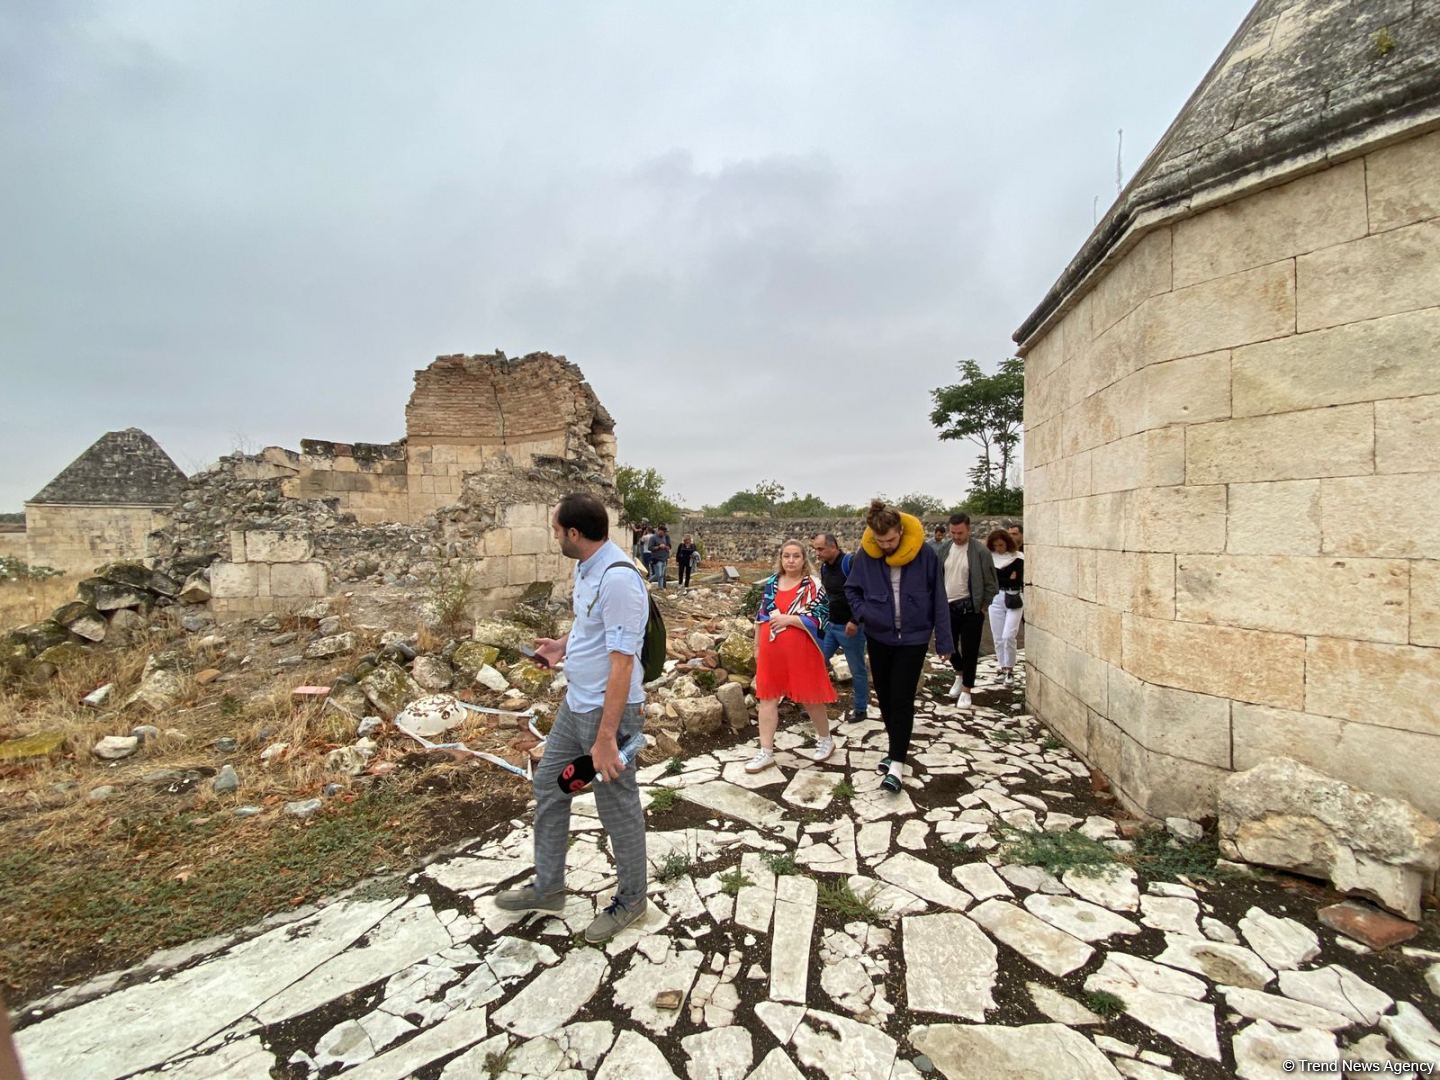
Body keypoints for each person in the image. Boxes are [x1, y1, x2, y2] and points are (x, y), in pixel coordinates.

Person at [495, 492, 650, 942]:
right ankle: (548, 886)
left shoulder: (620, 580)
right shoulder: (586, 566)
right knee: (549, 784)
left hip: (607, 714)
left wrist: (605, 740)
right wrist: (562, 647)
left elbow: (623, 663)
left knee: (616, 805)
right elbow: (588, 625)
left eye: (557, 530)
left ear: (575, 534)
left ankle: (633, 899)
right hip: (576, 701)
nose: (554, 536)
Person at [844, 500, 953, 793]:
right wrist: (864, 613)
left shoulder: (927, 555)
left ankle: (897, 764)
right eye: (880, 541)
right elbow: (851, 589)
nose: (886, 545)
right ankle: (895, 750)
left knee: (902, 699)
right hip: (879, 637)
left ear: (901, 532)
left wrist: (944, 640)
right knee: (887, 698)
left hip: (914, 639)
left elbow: (939, 598)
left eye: (891, 540)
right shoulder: (866, 556)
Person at [745, 540, 837, 772]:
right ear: (781, 558)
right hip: (771, 649)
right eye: (787, 556)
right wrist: (757, 644)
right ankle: (765, 751)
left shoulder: (812, 585)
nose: (791, 560)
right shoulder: (773, 583)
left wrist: (791, 619)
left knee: (810, 696)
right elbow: (762, 613)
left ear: (804, 559)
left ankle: (825, 739)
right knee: (767, 697)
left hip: (802, 650)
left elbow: (822, 615)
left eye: (796, 556)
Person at [935, 512, 999, 708]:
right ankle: (960, 674)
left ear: (969, 530)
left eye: (960, 532)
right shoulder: (944, 548)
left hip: (971, 609)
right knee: (948, 646)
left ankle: (967, 690)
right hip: (947, 608)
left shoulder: (980, 552)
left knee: (970, 650)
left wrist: (983, 605)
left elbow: (991, 583)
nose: (956, 536)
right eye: (953, 532)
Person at [810, 532, 869, 723]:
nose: (817, 553)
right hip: (831, 627)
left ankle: (861, 709)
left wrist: (855, 620)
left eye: (820, 549)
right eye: (815, 549)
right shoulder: (825, 568)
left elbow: (863, 593)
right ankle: (816, 704)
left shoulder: (849, 563)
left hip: (850, 628)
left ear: (833, 547)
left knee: (857, 669)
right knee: (816, 662)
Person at [986, 528, 1024, 687]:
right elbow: (991, 580)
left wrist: (1004, 579)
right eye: (995, 545)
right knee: (998, 637)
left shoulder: (1018, 557)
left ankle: (1010, 669)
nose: (999, 548)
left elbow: (1016, 580)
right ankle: (1002, 667)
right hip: (995, 599)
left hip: (1014, 597)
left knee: (1009, 635)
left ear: (1007, 543)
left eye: (1001, 545)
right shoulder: (989, 558)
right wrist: (1007, 577)